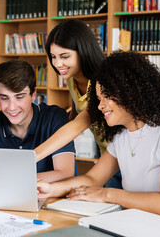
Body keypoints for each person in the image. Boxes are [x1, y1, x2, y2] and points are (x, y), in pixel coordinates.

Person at [37, 51, 160, 218]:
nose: (101, 106)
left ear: (131, 92)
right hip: (139, 221)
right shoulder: (121, 137)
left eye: (107, 96)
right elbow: (92, 179)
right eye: (98, 98)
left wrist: (106, 194)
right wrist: (51, 189)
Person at [34, 18, 122, 188]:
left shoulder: (103, 83)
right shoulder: (71, 79)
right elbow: (76, 110)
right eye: (53, 57)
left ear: (82, 52)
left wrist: (31, 157)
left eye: (64, 56)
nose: (58, 64)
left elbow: (78, 125)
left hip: (127, 158)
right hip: (108, 158)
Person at [0, 59, 77, 183]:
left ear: (33, 95)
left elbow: (66, 173)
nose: (12, 107)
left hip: (54, 200)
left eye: (19, 97)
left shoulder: (54, 117)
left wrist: (9, 180)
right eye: (5, 98)